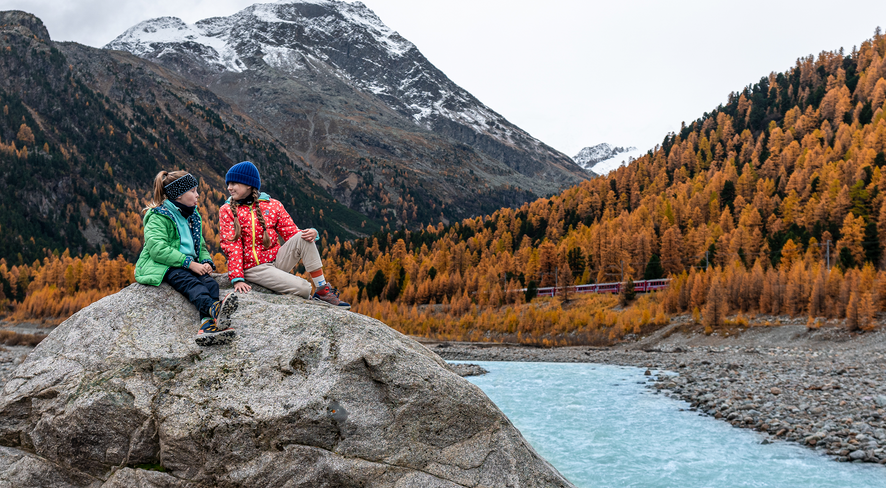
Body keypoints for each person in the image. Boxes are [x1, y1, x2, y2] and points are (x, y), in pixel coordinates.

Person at [219, 161, 350, 309]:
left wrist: (312, 233)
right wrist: (237, 278)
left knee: (303, 237)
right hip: (254, 268)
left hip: (277, 261)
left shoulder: (273, 205)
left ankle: (322, 291)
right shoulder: (227, 210)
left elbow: (292, 233)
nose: (229, 187)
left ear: (248, 184)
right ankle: (310, 292)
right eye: (228, 183)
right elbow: (232, 246)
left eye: (233, 183)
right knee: (305, 288)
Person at [135, 170, 239, 346]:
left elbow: (200, 246)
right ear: (179, 194)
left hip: (188, 264)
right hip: (166, 265)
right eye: (193, 191)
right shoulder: (158, 216)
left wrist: (205, 262)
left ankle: (207, 326)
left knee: (211, 284)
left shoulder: (191, 215)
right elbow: (157, 249)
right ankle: (214, 309)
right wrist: (189, 264)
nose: (197, 195)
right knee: (193, 285)